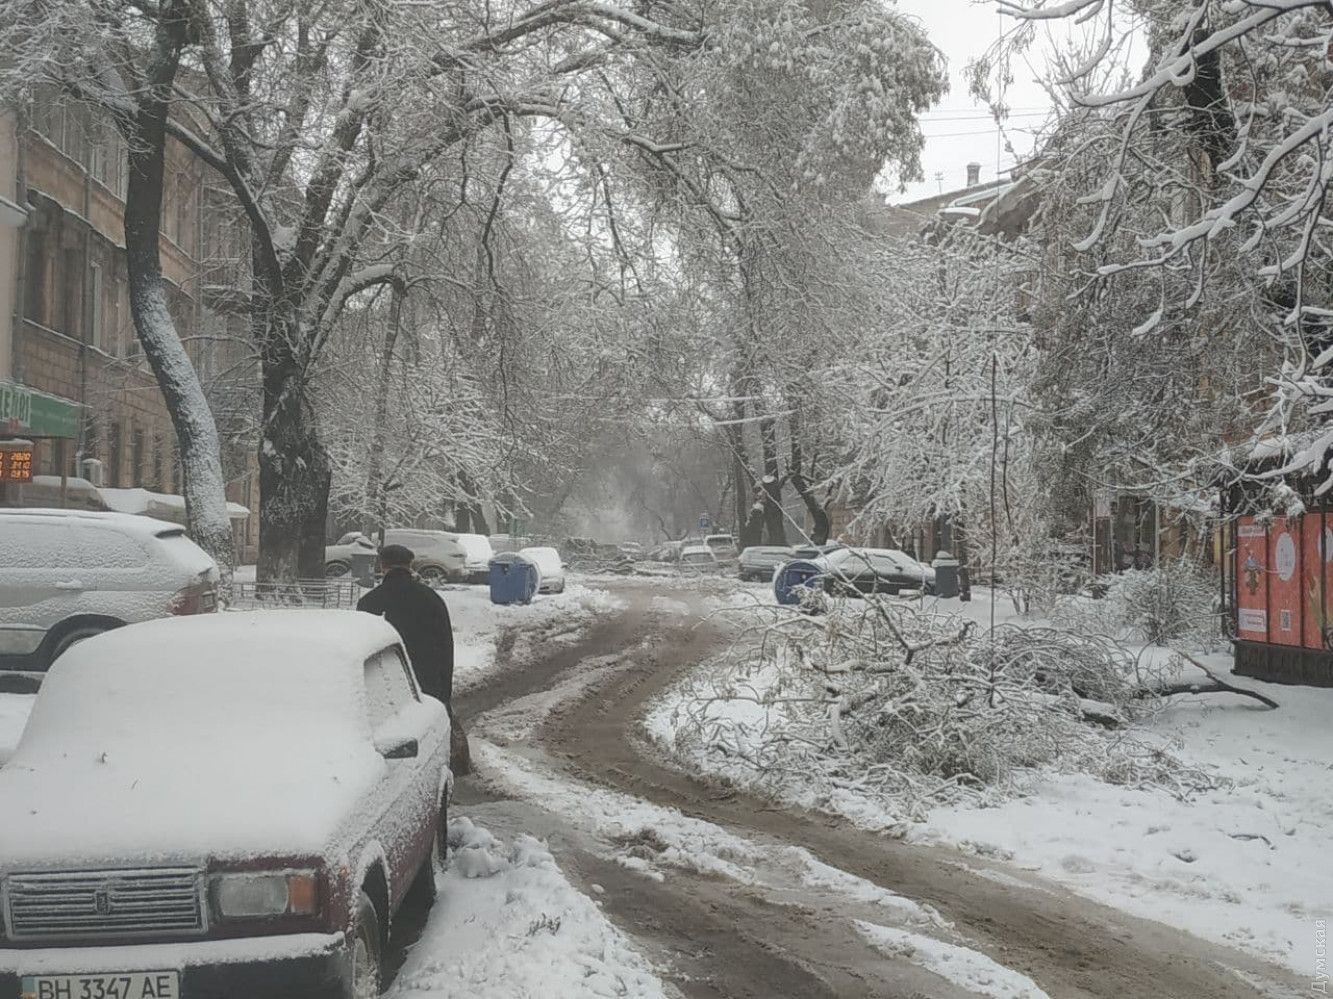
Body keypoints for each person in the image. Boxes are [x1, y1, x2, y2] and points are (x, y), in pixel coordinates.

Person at [357, 544, 470, 773]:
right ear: (411, 565)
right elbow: (445, 647)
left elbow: (362, 650)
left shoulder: (370, 602)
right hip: (428, 683)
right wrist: (444, 694)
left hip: (387, 687)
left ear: (382, 565)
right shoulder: (432, 599)